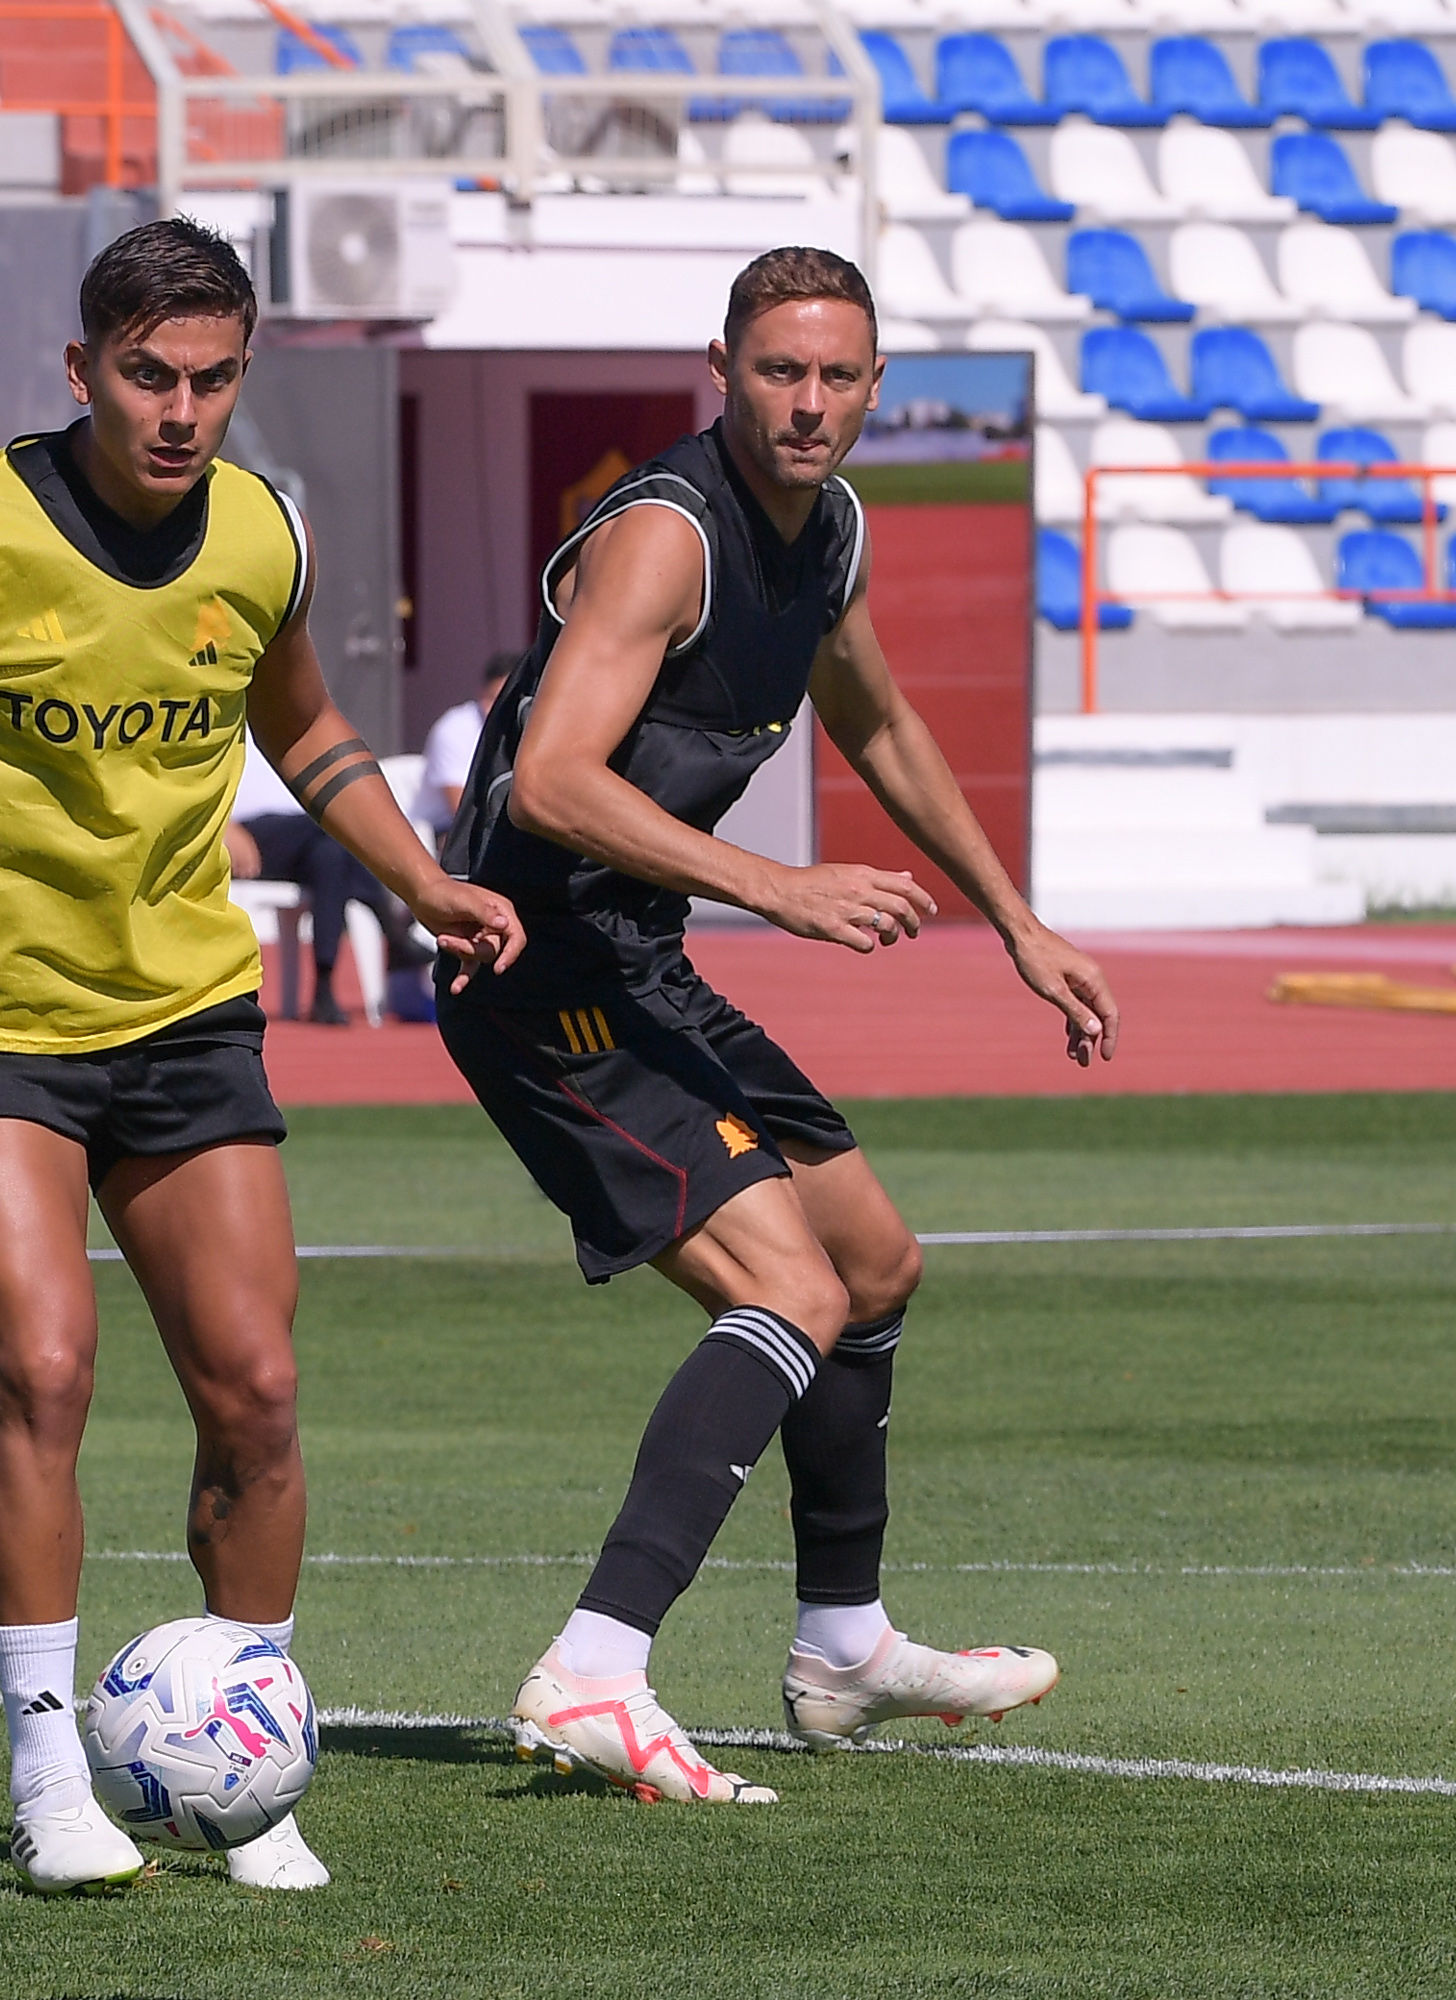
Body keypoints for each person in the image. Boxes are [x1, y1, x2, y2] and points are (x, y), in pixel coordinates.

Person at [0, 218, 522, 1893]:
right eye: (149, 375)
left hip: (186, 1010)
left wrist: (422, 877)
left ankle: (247, 1757)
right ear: (83, 372)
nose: (181, 409)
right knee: (47, 1370)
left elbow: (304, 721)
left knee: (260, 1395)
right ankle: (46, 1773)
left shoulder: (261, 533)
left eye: (214, 378)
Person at [439, 248, 1121, 1804]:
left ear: (877, 388)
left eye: (836, 376)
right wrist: (777, 886)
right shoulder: (664, 542)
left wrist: (1017, 922)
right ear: (721, 369)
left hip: (639, 957)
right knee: (794, 1288)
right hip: (537, 971)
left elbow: (875, 718)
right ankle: (595, 1669)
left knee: (874, 1262)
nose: (807, 403)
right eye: (778, 371)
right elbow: (549, 784)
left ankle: (844, 1646)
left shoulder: (831, 536)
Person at [226, 750, 417, 1025]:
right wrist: (225, 828)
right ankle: (395, 935)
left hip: (303, 842)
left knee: (331, 855)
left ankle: (323, 989)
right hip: (247, 834)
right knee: (333, 828)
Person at [418, 651, 515, 834]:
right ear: (481, 694)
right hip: (445, 829)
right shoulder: (453, 728)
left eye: (509, 702)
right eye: (494, 699)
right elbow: (460, 810)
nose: (500, 710)